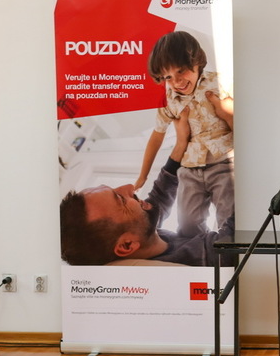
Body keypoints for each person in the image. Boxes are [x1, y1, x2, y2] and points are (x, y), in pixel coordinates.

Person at [60, 108, 233, 266]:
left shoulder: (143, 237)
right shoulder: (198, 260)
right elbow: (234, 234)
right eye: (121, 199)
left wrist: (181, 143)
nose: (129, 187)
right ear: (127, 245)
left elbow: (160, 195)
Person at [135, 30, 235, 241]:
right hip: (190, 168)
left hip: (223, 162)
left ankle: (226, 252)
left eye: (181, 71)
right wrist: (143, 175)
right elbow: (157, 136)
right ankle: (200, 252)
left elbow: (244, 122)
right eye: (168, 77)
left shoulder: (220, 83)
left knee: (229, 216)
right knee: (187, 226)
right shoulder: (168, 100)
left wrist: (228, 113)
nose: (177, 81)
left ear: (197, 62)